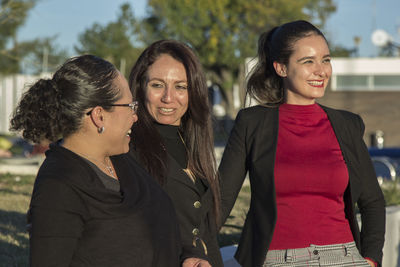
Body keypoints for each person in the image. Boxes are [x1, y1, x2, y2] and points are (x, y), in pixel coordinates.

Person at [219, 20, 385, 267]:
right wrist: (193, 249)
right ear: (281, 68)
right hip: (276, 260)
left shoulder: (347, 125)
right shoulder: (252, 123)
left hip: (345, 257)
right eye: (308, 61)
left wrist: (371, 259)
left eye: (326, 60)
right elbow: (221, 198)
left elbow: (372, 200)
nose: (321, 71)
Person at [10, 55, 181, 266]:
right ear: (99, 115)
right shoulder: (58, 187)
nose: (135, 116)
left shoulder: (121, 161)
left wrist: (190, 254)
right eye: (130, 106)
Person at [128, 40, 222, 267]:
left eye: (181, 87)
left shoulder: (193, 142)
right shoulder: (127, 146)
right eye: (158, 85)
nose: (168, 98)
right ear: (141, 87)